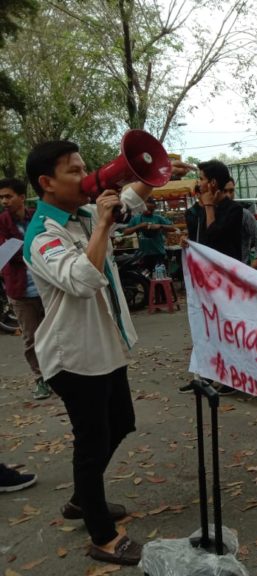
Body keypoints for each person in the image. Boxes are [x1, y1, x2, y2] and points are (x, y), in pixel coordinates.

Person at [22, 140, 187, 565]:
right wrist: (100, 227)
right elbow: (81, 279)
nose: (85, 175)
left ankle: (83, 495)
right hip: (74, 357)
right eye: (73, 171)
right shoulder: (42, 235)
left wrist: (155, 175)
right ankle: (102, 536)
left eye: (84, 168)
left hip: (105, 347)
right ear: (46, 183)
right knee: (91, 443)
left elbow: (128, 201)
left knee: (122, 422)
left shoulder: (82, 213)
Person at [0, 177, 50, 399]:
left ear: (21, 196)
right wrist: (36, 250)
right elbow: (6, 254)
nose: (4, 201)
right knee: (31, 338)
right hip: (20, 291)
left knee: (57, 332)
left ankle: (62, 374)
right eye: (1, 197)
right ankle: (40, 379)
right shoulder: (1, 222)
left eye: (8, 196)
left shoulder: (38, 216)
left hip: (48, 287)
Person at [198, 160, 243, 261]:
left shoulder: (234, 209)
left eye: (201, 179)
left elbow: (214, 238)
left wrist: (209, 205)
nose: (199, 183)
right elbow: (202, 240)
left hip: (227, 271)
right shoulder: (204, 207)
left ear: (213, 183)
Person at [221, 178, 257, 266]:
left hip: (241, 268)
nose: (228, 195)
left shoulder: (244, 214)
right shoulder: (211, 213)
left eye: (231, 191)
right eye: (224, 191)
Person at [121, 196, 175, 270]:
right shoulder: (136, 218)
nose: (149, 211)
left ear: (154, 208)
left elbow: (173, 228)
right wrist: (139, 226)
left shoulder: (158, 218)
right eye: (146, 209)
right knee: (146, 278)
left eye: (151, 209)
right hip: (143, 254)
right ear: (142, 207)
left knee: (160, 277)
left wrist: (160, 226)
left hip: (158, 253)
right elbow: (125, 232)